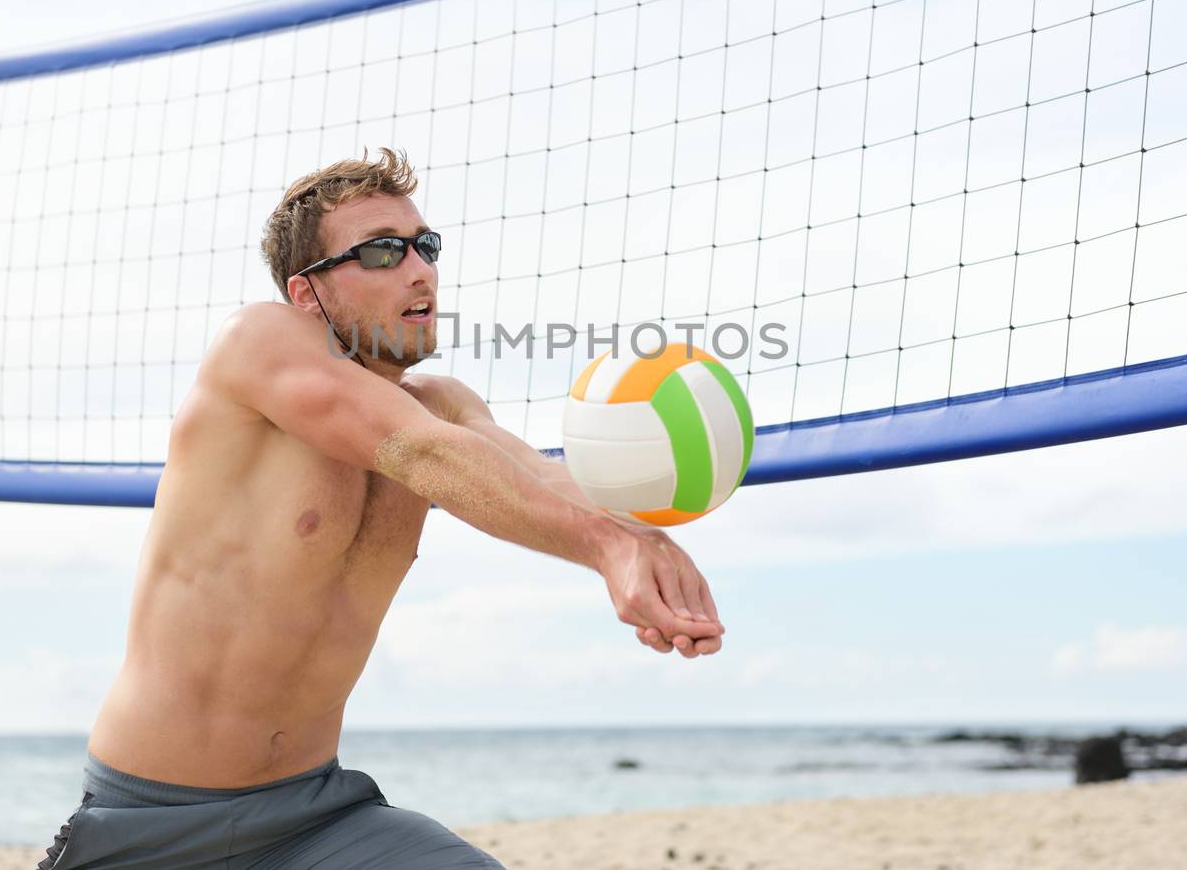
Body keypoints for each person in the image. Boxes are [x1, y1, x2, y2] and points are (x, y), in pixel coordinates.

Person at [37, 147, 725, 870]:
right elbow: (418, 452)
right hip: (153, 821)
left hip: (315, 819)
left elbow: (535, 476)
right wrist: (606, 548)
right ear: (309, 294)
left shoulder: (445, 404)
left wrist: (647, 545)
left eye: (424, 245)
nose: (420, 268)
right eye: (383, 251)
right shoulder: (259, 344)